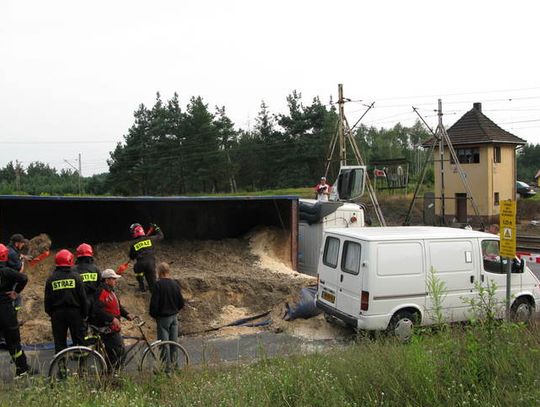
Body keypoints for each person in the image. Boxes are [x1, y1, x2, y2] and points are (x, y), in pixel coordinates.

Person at [44, 249, 88, 355]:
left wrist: (52, 313)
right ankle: (81, 368)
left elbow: (47, 301)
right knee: (79, 341)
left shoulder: (51, 279)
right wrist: (84, 314)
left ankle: (62, 369)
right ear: (70, 261)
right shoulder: (76, 277)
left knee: (59, 343)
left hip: (57, 314)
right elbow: (83, 298)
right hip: (75, 313)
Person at [0, 244, 34, 377]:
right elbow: (23, 278)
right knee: (13, 341)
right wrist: (15, 292)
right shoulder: (7, 271)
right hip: (6, 310)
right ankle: (22, 369)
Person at [91, 269, 134, 372]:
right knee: (118, 353)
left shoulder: (111, 291)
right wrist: (112, 319)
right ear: (107, 280)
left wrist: (127, 314)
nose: (115, 281)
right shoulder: (102, 291)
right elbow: (97, 310)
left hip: (113, 328)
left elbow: (118, 306)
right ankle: (113, 376)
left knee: (116, 353)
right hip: (107, 328)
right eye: (113, 279)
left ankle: (111, 375)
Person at [149, 262, 184, 365]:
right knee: (174, 343)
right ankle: (175, 365)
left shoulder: (158, 285)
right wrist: (175, 309)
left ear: (159, 272)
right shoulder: (175, 284)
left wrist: (154, 315)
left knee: (164, 344)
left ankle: (167, 369)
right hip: (174, 317)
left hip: (163, 318)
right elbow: (181, 303)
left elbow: (154, 304)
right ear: (168, 271)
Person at [128, 223, 164, 292]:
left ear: (134, 232)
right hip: (151, 264)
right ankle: (153, 291)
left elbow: (131, 256)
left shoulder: (134, 244)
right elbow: (161, 236)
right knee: (153, 285)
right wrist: (156, 228)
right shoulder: (151, 239)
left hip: (140, 265)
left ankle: (141, 286)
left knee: (136, 268)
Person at [73, 243, 101, 307]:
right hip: (93, 303)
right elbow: (100, 286)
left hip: (78, 304)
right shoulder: (96, 269)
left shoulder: (73, 270)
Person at [7, 234, 28, 313]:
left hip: (6, 279)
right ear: (17, 243)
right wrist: (22, 261)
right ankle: (13, 317)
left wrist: (20, 256)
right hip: (11, 281)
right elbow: (20, 271)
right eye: (22, 243)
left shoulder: (8, 249)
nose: (23, 245)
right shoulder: (12, 254)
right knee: (15, 298)